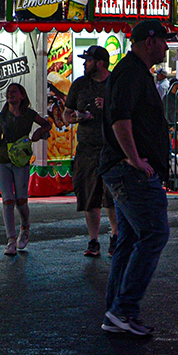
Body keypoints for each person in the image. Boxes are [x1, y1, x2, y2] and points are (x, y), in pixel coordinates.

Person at [100, 19, 175, 337]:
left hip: (124, 168)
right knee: (154, 234)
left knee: (130, 239)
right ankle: (123, 309)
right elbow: (120, 117)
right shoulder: (131, 72)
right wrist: (134, 158)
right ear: (150, 41)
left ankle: (116, 311)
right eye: (164, 41)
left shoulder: (134, 71)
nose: (167, 47)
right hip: (129, 170)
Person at [0, 82, 50, 255]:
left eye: (14, 92)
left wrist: (39, 134)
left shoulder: (29, 114)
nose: (10, 94)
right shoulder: (2, 116)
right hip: (3, 160)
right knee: (7, 200)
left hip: (21, 161)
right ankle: (11, 240)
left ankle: (25, 228)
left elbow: (47, 124)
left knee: (21, 200)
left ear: (22, 96)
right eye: (8, 92)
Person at [64, 45, 118, 257]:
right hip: (86, 149)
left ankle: (115, 236)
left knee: (111, 196)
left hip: (111, 148)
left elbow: (129, 113)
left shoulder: (115, 83)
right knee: (88, 196)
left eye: (87, 60)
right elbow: (66, 115)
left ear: (100, 63)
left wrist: (108, 106)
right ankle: (93, 241)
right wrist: (76, 118)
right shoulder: (79, 84)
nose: (84, 64)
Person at [163, 78, 178, 155]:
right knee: (167, 144)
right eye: (176, 86)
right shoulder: (167, 98)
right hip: (170, 124)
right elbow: (165, 112)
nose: (177, 88)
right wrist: (169, 123)